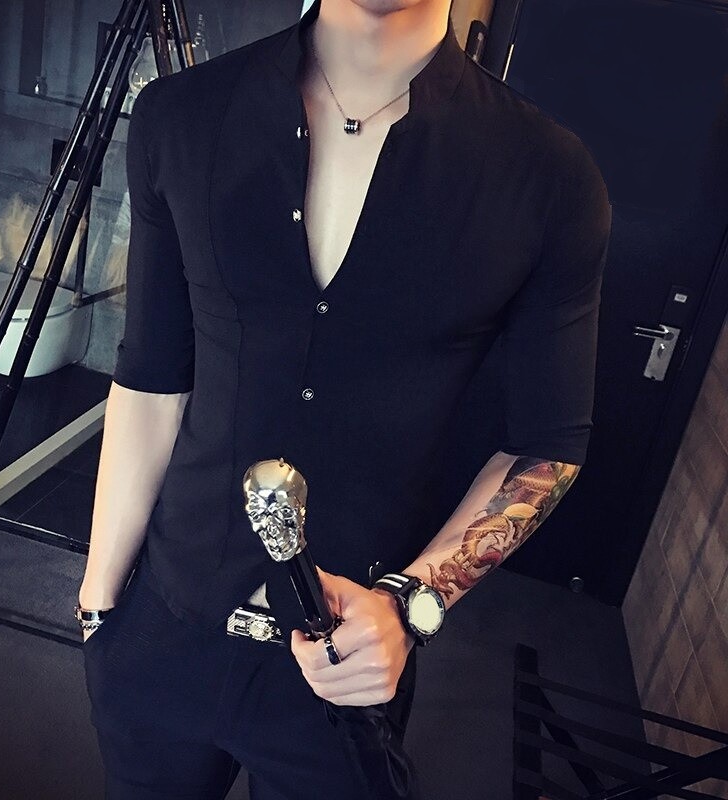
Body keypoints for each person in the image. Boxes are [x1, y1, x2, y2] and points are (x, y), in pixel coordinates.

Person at [76, 0, 612, 797]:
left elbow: (547, 444)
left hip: (348, 665)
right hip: (162, 630)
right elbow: (152, 377)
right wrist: (98, 600)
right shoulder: (180, 115)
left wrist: (412, 603)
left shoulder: (549, 176)